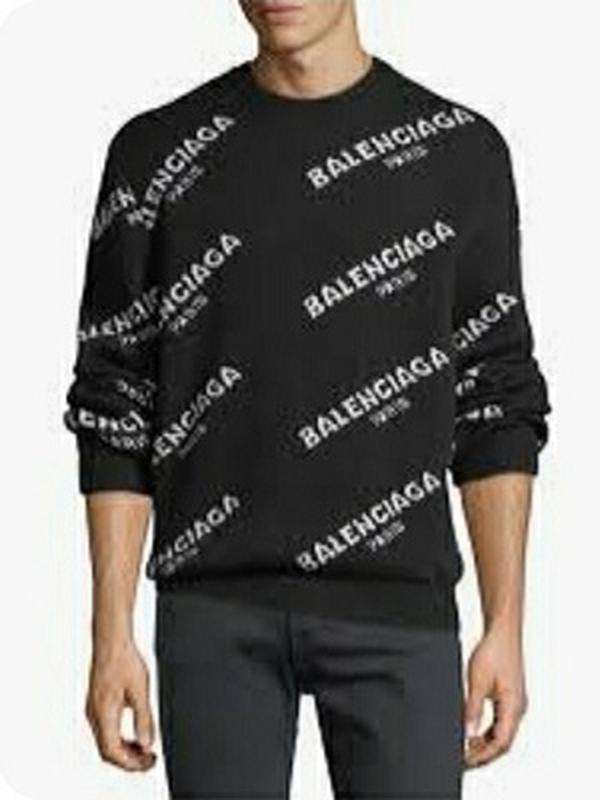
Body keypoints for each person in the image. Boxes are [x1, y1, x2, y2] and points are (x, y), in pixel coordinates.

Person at [63, 1, 551, 798]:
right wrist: (110, 633)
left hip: (400, 608)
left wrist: (506, 625)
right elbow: (115, 399)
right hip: (214, 609)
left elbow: (495, 398)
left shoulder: (457, 154)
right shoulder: (157, 157)